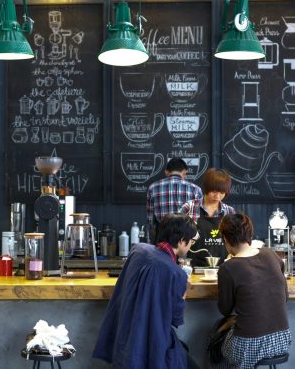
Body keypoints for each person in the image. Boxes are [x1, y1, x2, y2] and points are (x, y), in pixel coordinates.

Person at [93, 213, 201, 369]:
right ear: (181, 240)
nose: (191, 246)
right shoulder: (177, 274)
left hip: (124, 339)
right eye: (191, 242)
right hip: (152, 346)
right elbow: (176, 320)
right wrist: (182, 296)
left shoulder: (138, 250)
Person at [213, 212, 291, 369]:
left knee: (216, 338)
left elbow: (225, 310)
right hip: (282, 340)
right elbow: (285, 297)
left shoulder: (228, 268)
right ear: (250, 234)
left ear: (226, 239)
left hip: (248, 346)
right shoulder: (271, 254)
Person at [179, 168, 236, 267]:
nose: (217, 196)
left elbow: (234, 240)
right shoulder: (190, 207)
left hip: (223, 268)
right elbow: (176, 235)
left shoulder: (229, 212)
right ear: (206, 188)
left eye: (222, 193)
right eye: (214, 191)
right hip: (193, 267)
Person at [146, 158, 203, 241]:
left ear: (166, 172)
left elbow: (150, 221)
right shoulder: (196, 189)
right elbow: (197, 218)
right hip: (185, 238)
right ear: (184, 172)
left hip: (163, 236)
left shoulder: (153, 188)